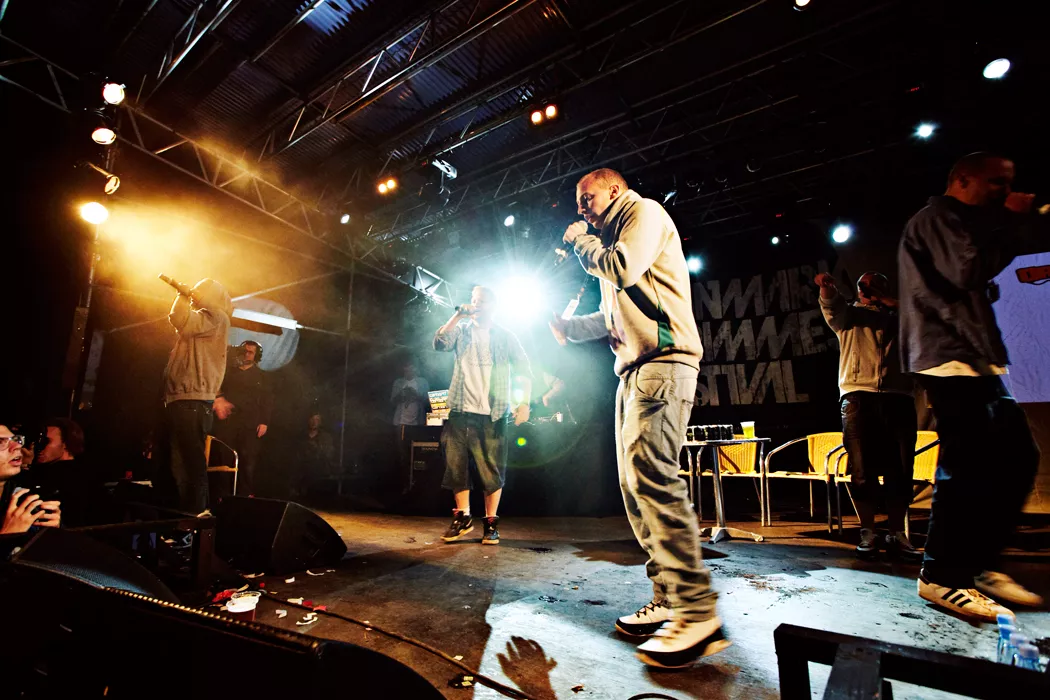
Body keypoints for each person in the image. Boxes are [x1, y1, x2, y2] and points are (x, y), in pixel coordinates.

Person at [549, 168, 724, 669]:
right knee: (634, 486)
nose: (580, 208)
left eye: (586, 198)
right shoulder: (611, 241)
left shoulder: (643, 213)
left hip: (663, 364)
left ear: (614, 190)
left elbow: (621, 268)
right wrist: (568, 328)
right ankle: (668, 597)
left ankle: (696, 612)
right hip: (633, 372)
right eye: (578, 202)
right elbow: (614, 319)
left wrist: (580, 241)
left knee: (653, 478)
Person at [899, 152, 1048, 621]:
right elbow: (967, 271)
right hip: (948, 355)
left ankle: (978, 563)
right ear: (962, 179)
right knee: (965, 467)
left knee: (1018, 457)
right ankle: (942, 574)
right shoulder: (937, 218)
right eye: (996, 182)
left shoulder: (959, 222)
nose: (1005, 191)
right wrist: (1011, 222)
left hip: (975, 358)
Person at [816, 271, 919, 560]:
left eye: (876, 285)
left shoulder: (902, 316)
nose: (869, 290)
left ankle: (897, 533)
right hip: (858, 397)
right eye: (865, 285)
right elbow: (831, 305)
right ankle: (868, 531)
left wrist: (890, 303)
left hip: (898, 396)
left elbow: (925, 316)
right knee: (862, 470)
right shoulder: (849, 315)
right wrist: (826, 288)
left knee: (901, 469)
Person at [433, 286, 532, 545]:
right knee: (456, 465)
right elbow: (440, 343)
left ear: (493, 306)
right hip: (460, 409)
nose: (476, 304)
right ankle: (463, 518)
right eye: (474, 300)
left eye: (482, 301)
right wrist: (457, 316)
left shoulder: (506, 336)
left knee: (491, 470)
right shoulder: (461, 331)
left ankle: (490, 523)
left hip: (493, 413)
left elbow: (524, 369)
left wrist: (524, 403)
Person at [155, 278, 232, 515]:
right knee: (178, 466)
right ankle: (183, 518)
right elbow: (180, 319)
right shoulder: (204, 320)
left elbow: (180, 318)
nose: (194, 294)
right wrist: (185, 296)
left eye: (199, 291)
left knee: (190, 466)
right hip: (182, 400)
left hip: (192, 402)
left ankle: (196, 520)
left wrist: (184, 295)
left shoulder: (216, 317)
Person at [211, 340, 272, 496]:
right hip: (228, 421)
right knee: (225, 457)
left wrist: (264, 421)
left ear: (256, 356)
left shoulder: (262, 376)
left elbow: (267, 400)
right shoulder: (229, 372)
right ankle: (223, 494)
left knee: (247, 459)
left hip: (250, 423)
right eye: (244, 351)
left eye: (250, 352)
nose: (246, 355)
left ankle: (245, 494)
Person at [20, 417, 99, 527]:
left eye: (46, 441)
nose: (40, 446)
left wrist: (25, 465)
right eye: (39, 440)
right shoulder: (84, 471)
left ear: (65, 444)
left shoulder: (64, 474)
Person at [1, 424, 61, 535]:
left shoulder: (22, 496)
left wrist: (52, 532)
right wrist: (7, 535)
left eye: (15, 439)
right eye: (0, 442)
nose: (17, 446)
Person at [299, 410, 335, 496]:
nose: (314, 422)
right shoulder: (301, 436)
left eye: (317, 419)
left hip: (319, 475)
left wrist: (317, 449)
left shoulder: (326, 437)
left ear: (320, 422)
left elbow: (328, 455)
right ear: (308, 420)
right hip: (302, 474)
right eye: (312, 419)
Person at [391, 360, 430, 428]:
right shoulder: (398, 382)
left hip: (418, 422)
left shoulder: (423, 382)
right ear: (403, 368)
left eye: (410, 367)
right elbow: (392, 401)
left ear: (415, 368)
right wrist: (401, 394)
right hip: (400, 421)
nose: (408, 369)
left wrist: (416, 394)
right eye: (406, 366)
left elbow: (428, 403)